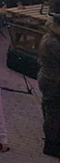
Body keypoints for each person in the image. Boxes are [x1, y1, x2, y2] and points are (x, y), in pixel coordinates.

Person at [39, 12, 60, 157]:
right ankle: (51, 145)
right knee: (53, 114)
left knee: (50, 110)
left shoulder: (50, 37)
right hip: (53, 81)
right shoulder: (53, 43)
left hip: (48, 79)